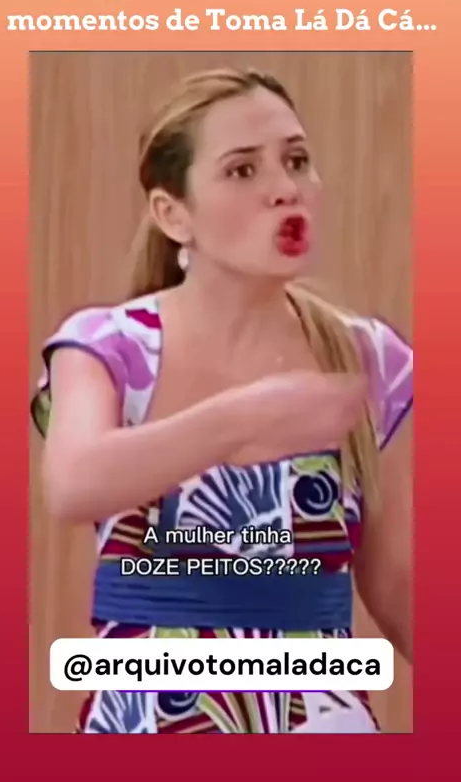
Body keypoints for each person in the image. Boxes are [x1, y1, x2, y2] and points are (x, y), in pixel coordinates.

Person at [31, 67, 413, 734]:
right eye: (242, 170)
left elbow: (398, 583)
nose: (285, 188)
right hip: (147, 723)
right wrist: (246, 418)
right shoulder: (106, 346)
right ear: (173, 215)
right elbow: (72, 484)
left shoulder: (367, 356)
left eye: (297, 160)